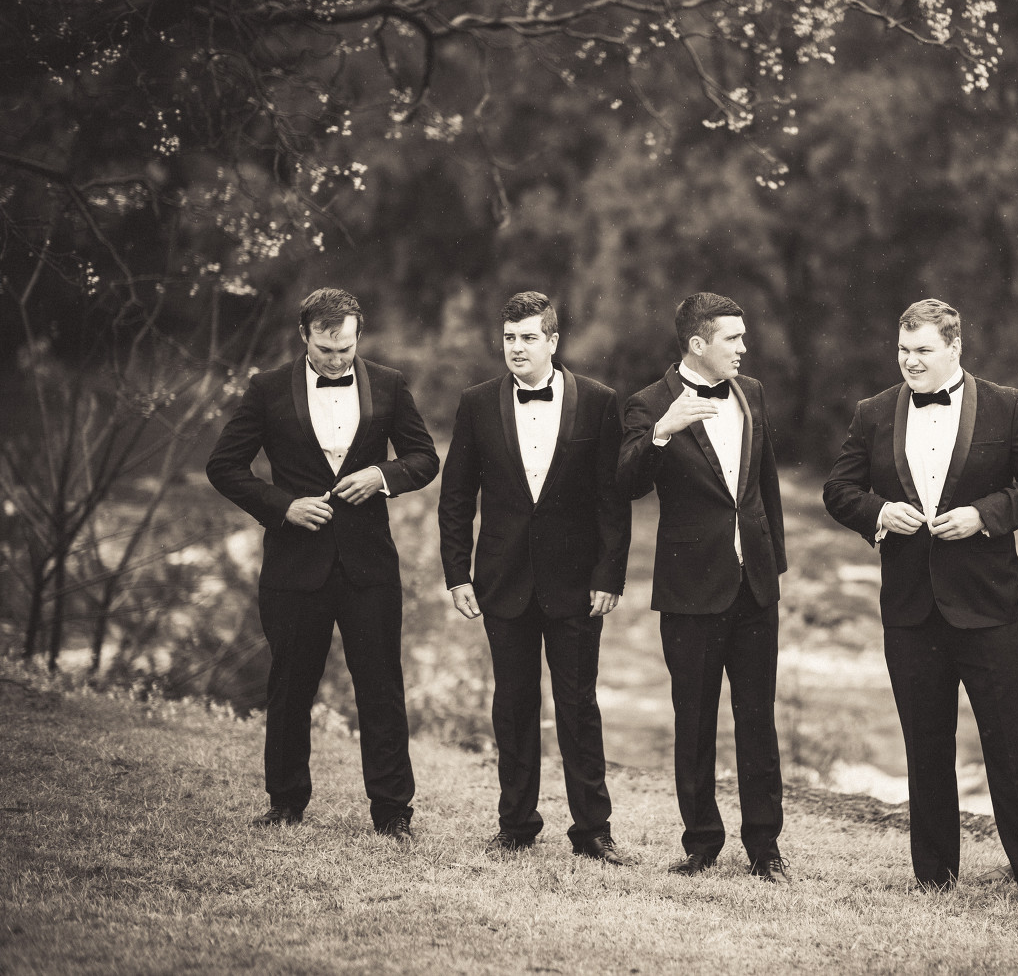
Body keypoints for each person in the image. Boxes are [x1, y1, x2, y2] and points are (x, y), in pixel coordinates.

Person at [822, 299, 1018, 910]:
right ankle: (934, 874)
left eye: (923, 350)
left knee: (1011, 743)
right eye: (903, 350)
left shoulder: (1006, 405)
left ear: (955, 348)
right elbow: (838, 490)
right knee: (925, 744)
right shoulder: (873, 412)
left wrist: (984, 516)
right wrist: (879, 512)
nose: (910, 361)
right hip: (910, 612)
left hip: (988, 608)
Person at [207, 288, 439, 840]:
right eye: (326, 349)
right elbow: (224, 465)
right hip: (294, 564)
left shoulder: (389, 383)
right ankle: (285, 802)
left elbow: (424, 458)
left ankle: (393, 812)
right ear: (304, 336)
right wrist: (281, 506)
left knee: (381, 688)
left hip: (369, 566)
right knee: (290, 686)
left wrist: (382, 475)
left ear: (359, 337)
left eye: (346, 349)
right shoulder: (266, 389)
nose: (337, 361)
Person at [437, 291, 633, 862]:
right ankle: (517, 824)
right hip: (503, 581)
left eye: (528, 338)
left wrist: (609, 575)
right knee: (513, 706)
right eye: (509, 338)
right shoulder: (477, 402)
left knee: (578, 706)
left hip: (577, 585)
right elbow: (456, 497)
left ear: (553, 341)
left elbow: (613, 499)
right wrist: (457, 574)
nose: (517, 348)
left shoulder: (599, 401)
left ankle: (592, 830)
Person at [616, 292, 789, 883]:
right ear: (697, 343)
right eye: (732, 338)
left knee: (758, 719)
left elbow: (766, 485)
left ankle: (765, 847)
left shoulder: (752, 392)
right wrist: (662, 432)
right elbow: (626, 483)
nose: (743, 347)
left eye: (743, 336)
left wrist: (774, 565)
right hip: (690, 587)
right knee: (693, 720)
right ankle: (702, 843)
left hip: (754, 585)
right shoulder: (647, 403)